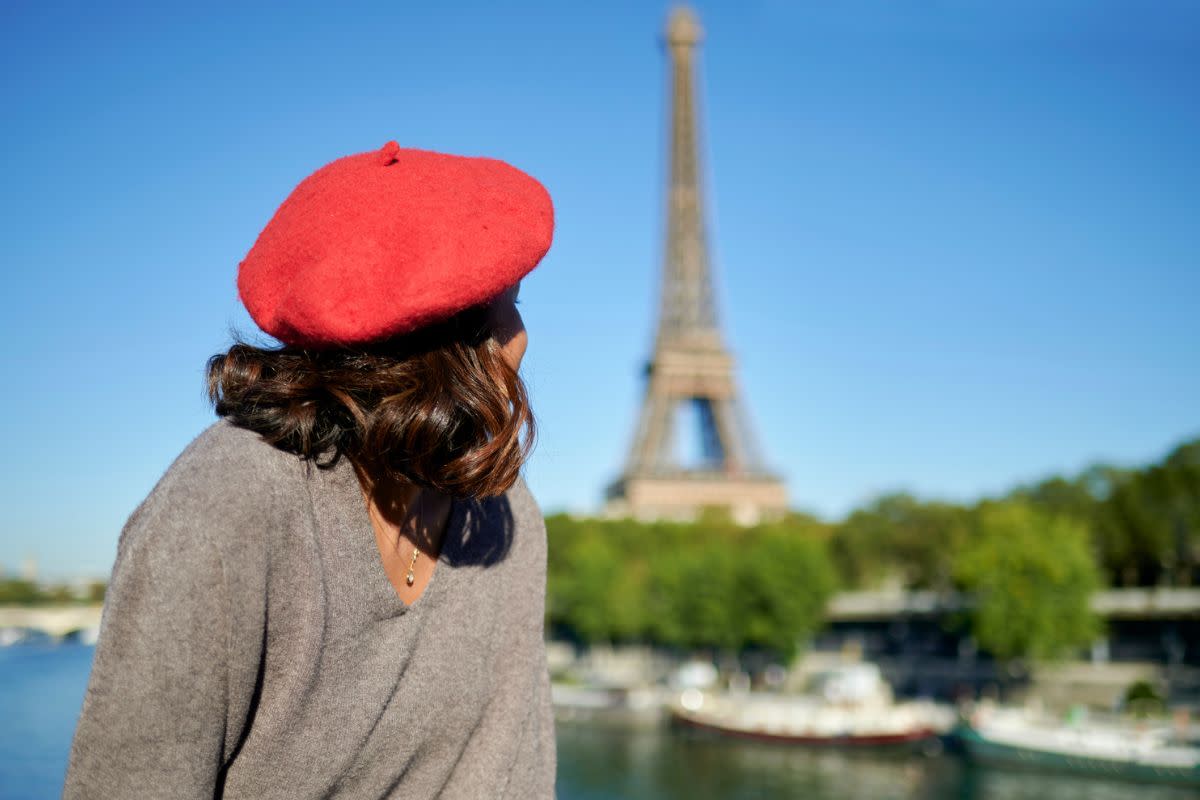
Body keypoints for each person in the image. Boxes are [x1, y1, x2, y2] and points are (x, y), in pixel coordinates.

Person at [62, 140, 558, 799]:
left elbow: (516, 775)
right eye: (509, 304)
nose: (522, 336)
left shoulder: (504, 512)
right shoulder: (221, 508)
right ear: (440, 338)